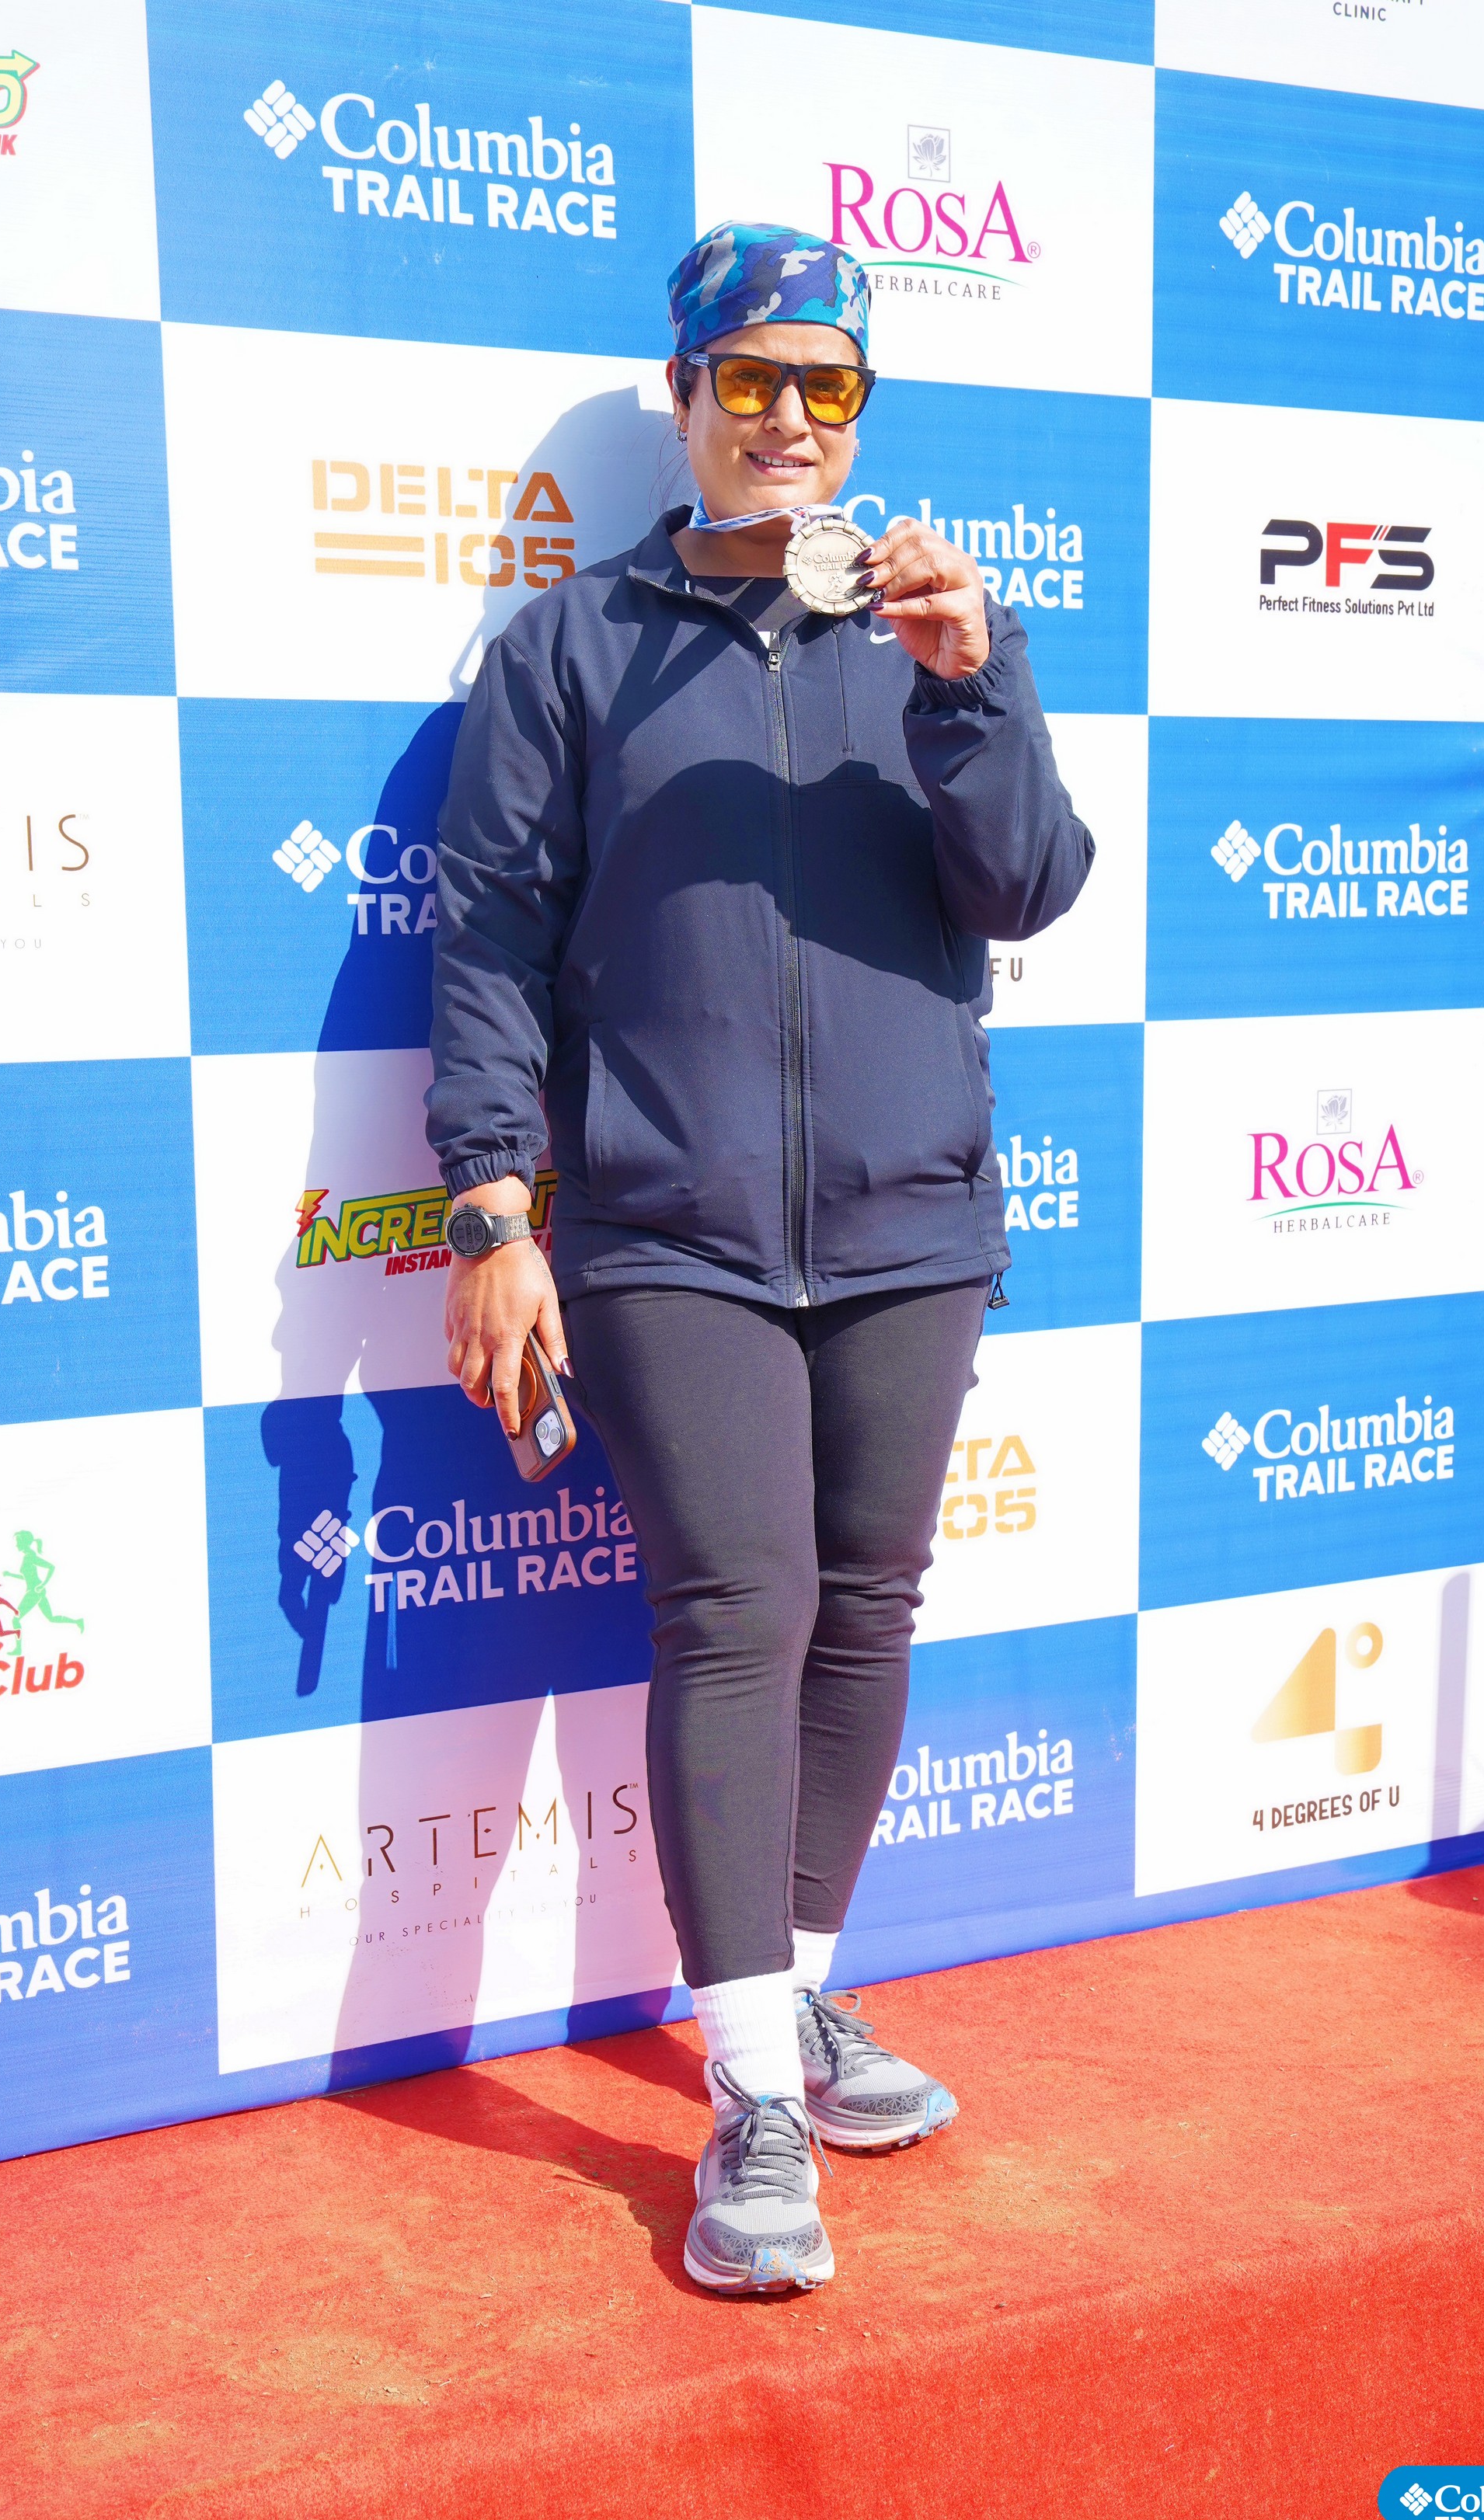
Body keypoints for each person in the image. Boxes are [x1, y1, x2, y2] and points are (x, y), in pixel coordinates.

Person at [428, 221, 1094, 2294]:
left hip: (911, 1220)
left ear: (860, 411)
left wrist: (976, 684)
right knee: (738, 1612)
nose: (788, 416)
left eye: (829, 384)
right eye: (751, 378)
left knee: (867, 1607)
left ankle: (788, 2002)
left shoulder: (931, 632)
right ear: (687, 394)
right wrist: (492, 1207)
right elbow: (488, 945)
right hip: (670, 1227)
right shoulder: (568, 648)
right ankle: (749, 2099)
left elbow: (1029, 884)